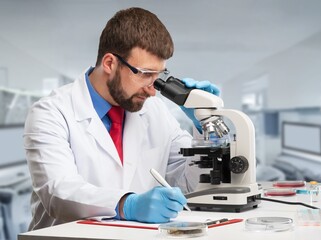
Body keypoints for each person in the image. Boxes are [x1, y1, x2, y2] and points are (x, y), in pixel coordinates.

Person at [24, 7, 220, 230]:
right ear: (109, 63)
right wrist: (127, 205)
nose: (152, 90)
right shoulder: (51, 112)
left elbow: (189, 184)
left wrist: (205, 126)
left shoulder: (154, 111)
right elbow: (57, 193)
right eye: (145, 74)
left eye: (158, 75)